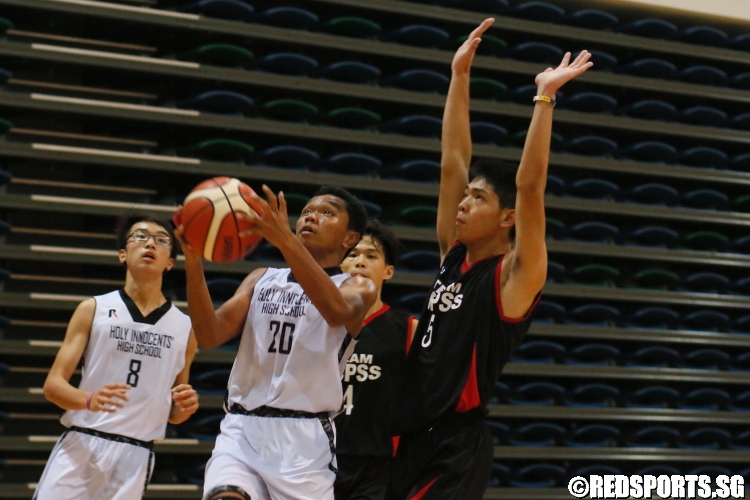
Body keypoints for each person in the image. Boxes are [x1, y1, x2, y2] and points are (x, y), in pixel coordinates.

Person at [388, 18, 593, 500]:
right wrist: (459, 77)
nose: (462, 203)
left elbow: (530, 186)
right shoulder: (451, 255)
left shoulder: (514, 277)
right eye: (466, 197)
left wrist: (544, 99)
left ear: (507, 219)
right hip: (407, 432)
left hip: (456, 445)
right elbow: (452, 161)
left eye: (477, 199)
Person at [175, 185, 377, 500]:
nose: (312, 217)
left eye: (327, 213)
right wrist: (192, 263)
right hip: (242, 428)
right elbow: (210, 334)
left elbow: (336, 311)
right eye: (308, 211)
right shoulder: (261, 278)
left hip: (302, 440)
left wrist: (284, 240)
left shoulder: (357, 286)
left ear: (349, 238)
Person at [35, 214, 199, 500]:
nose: (150, 243)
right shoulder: (93, 309)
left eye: (162, 240)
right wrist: (88, 399)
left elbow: (174, 412)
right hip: (83, 443)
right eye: (140, 236)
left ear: (170, 261)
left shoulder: (185, 327)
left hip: (135, 455)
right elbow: (52, 387)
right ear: (123, 254)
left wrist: (184, 408)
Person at [334, 219, 418, 500]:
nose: (360, 262)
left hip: (378, 464)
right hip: (316, 455)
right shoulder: (320, 321)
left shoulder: (408, 329)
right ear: (340, 265)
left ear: (388, 271)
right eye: (353, 255)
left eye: (371, 256)